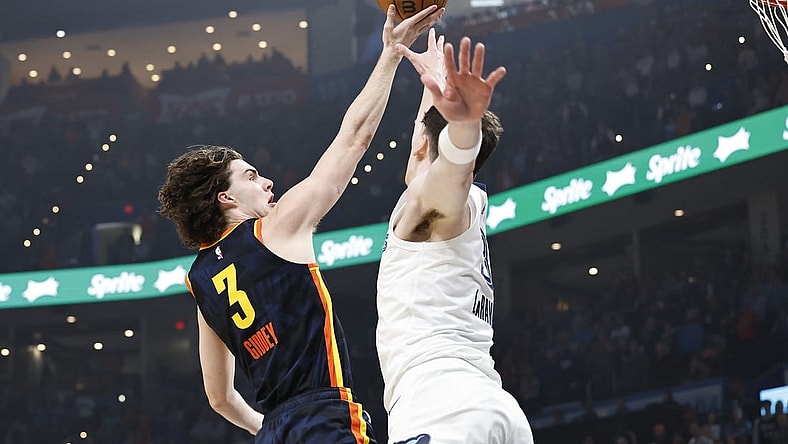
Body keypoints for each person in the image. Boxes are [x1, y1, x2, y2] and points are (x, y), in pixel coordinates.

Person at [157, 6, 444, 443]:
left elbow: (219, 398)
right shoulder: (273, 229)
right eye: (251, 176)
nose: (267, 181)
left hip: (276, 431)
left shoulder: (201, 282)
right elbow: (354, 139)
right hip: (323, 414)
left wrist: (271, 429)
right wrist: (390, 54)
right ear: (226, 198)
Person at [375, 29, 534, 443]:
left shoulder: (432, 207)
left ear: (424, 148)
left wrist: (463, 129)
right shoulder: (469, 205)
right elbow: (436, 149)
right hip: (488, 401)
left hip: (441, 404)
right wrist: (436, 84)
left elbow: (451, 168)